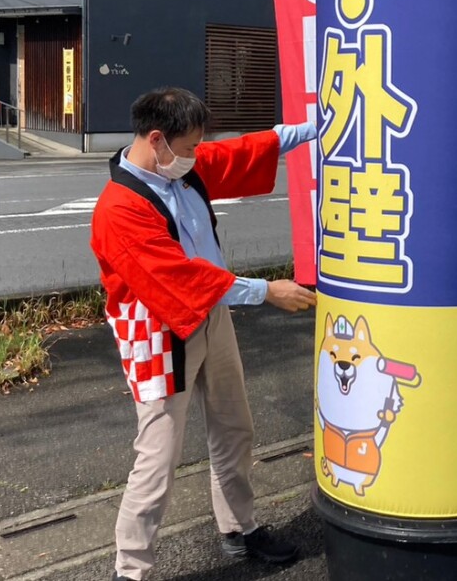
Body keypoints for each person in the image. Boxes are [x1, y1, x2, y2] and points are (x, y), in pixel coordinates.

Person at [91, 87, 318, 581]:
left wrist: (323, 123)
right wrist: (266, 290)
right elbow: (175, 278)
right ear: (157, 140)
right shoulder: (118, 208)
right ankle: (131, 571)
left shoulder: (182, 166)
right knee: (158, 456)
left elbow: (249, 149)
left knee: (235, 427)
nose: (198, 153)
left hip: (211, 313)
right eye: (190, 145)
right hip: (157, 330)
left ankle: (240, 528)